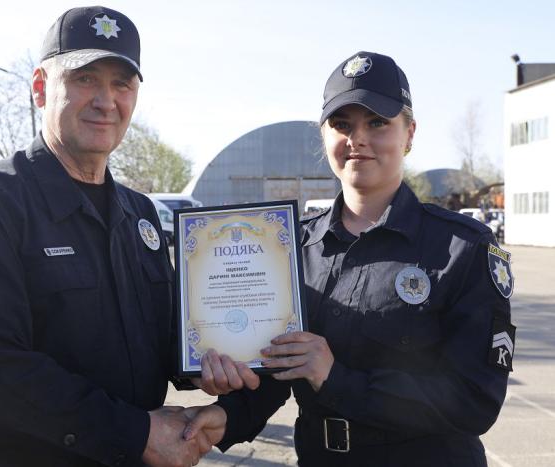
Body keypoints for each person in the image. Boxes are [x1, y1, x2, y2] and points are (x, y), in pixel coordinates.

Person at [0, 6, 224, 466]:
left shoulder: (140, 215)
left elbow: (158, 340)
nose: (106, 100)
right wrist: (137, 432)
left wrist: (211, 363)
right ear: (41, 88)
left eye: (122, 84)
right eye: (85, 79)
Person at [186, 51, 515, 467]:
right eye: (342, 125)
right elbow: (278, 369)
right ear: (324, 137)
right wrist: (226, 417)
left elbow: (475, 400)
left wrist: (335, 378)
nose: (357, 139)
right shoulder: (289, 247)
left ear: (409, 134)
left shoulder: (462, 247)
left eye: (377, 123)